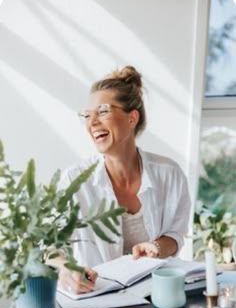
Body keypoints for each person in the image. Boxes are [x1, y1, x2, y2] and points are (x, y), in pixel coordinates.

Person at [50, 66, 191, 294]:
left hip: (155, 296)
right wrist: (67, 269)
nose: (92, 122)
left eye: (102, 111)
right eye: (87, 115)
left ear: (132, 118)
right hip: (96, 299)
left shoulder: (169, 174)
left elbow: (176, 236)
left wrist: (156, 247)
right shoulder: (73, 180)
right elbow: (49, 244)